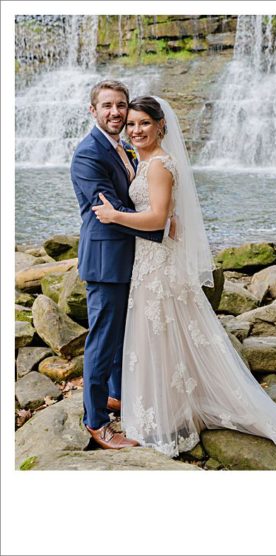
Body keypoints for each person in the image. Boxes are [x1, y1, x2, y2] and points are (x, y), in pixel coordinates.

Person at [91, 95, 276, 468]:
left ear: (161, 125)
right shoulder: (143, 160)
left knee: (160, 335)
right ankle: (169, 410)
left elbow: (157, 219)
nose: (135, 130)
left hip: (159, 265)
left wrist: (116, 216)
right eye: (131, 124)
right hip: (149, 261)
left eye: (144, 123)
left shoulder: (159, 165)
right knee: (160, 337)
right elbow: (167, 216)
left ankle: (166, 420)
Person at [70, 80, 165, 449]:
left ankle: (116, 396)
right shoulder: (88, 154)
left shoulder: (123, 147)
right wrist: (159, 225)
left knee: (120, 335)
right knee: (102, 340)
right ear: (92, 110)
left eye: (121, 105)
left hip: (129, 256)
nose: (115, 112)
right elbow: (108, 210)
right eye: (107, 105)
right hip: (106, 260)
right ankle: (96, 422)